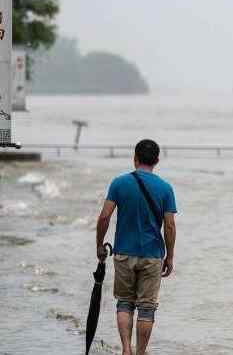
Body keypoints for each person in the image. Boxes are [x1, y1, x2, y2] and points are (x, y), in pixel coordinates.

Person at [95, 139, 177, 355]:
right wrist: (170, 257)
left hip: (123, 253)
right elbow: (169, 225)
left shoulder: (119, 183)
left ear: (135, 158)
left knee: (124, 303)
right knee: (147, 308)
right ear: (157, 160)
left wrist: (99, 246)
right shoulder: (165, 188)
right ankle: (140, 352)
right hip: (152, 256)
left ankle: (125, 350)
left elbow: (104, 217)